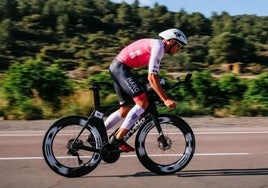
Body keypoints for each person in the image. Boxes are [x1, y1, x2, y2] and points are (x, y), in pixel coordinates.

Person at [105, 28, 188, 152]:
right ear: (171, 42)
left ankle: (95, 134)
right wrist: (165, 99)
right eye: (179, 46)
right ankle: (118, 138)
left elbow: (153, 76)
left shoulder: (156, 45)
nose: (179, 50)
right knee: (143, 102)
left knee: (125, 109)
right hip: (122, 69)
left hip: (118, 67)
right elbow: (152, 76)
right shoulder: (159, 47)